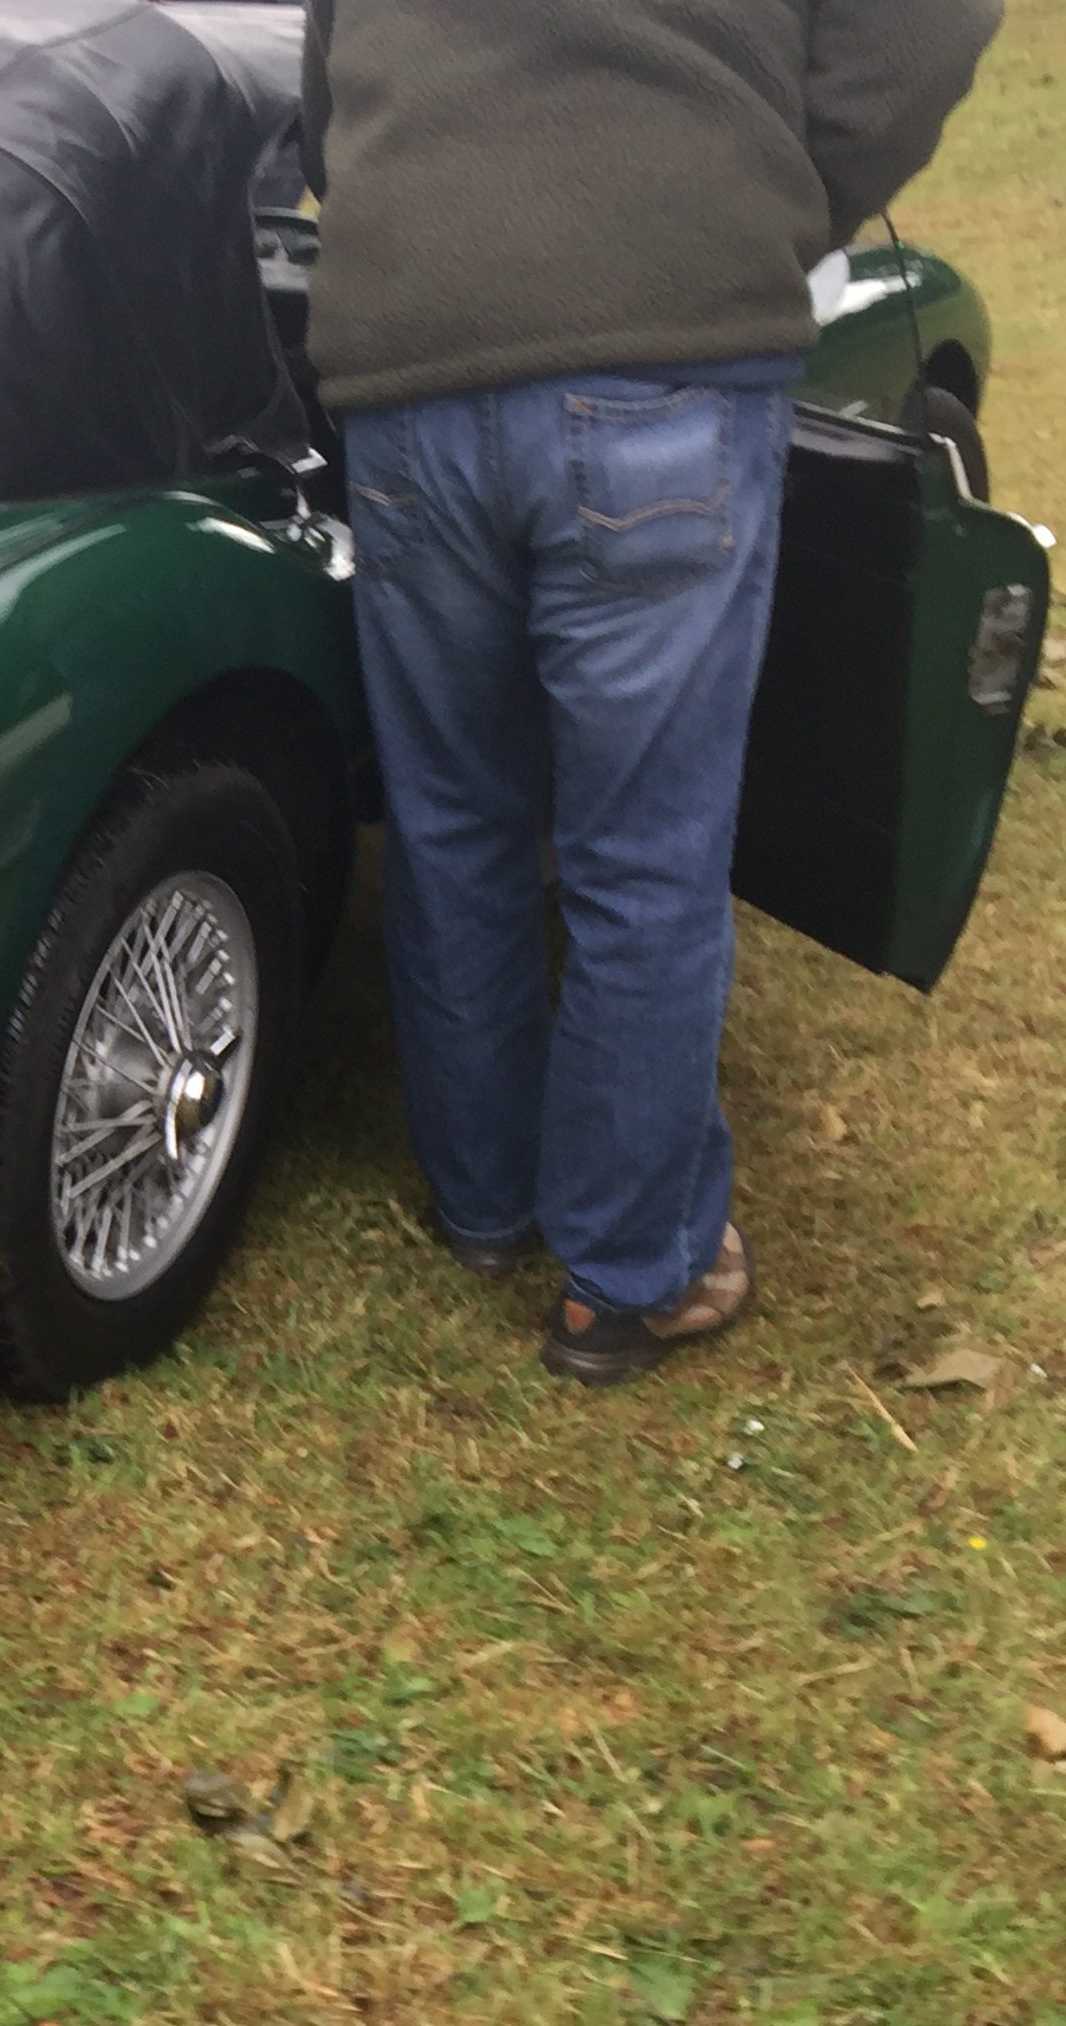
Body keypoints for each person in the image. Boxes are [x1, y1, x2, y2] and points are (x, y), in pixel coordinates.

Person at [299, 0, 999, 1384]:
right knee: (647, 850)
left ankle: (485, 1203)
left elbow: (325, 86)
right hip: (662, 361)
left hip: (407, 362)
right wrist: (775, 192)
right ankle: (634, 1268)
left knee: (455, 821)